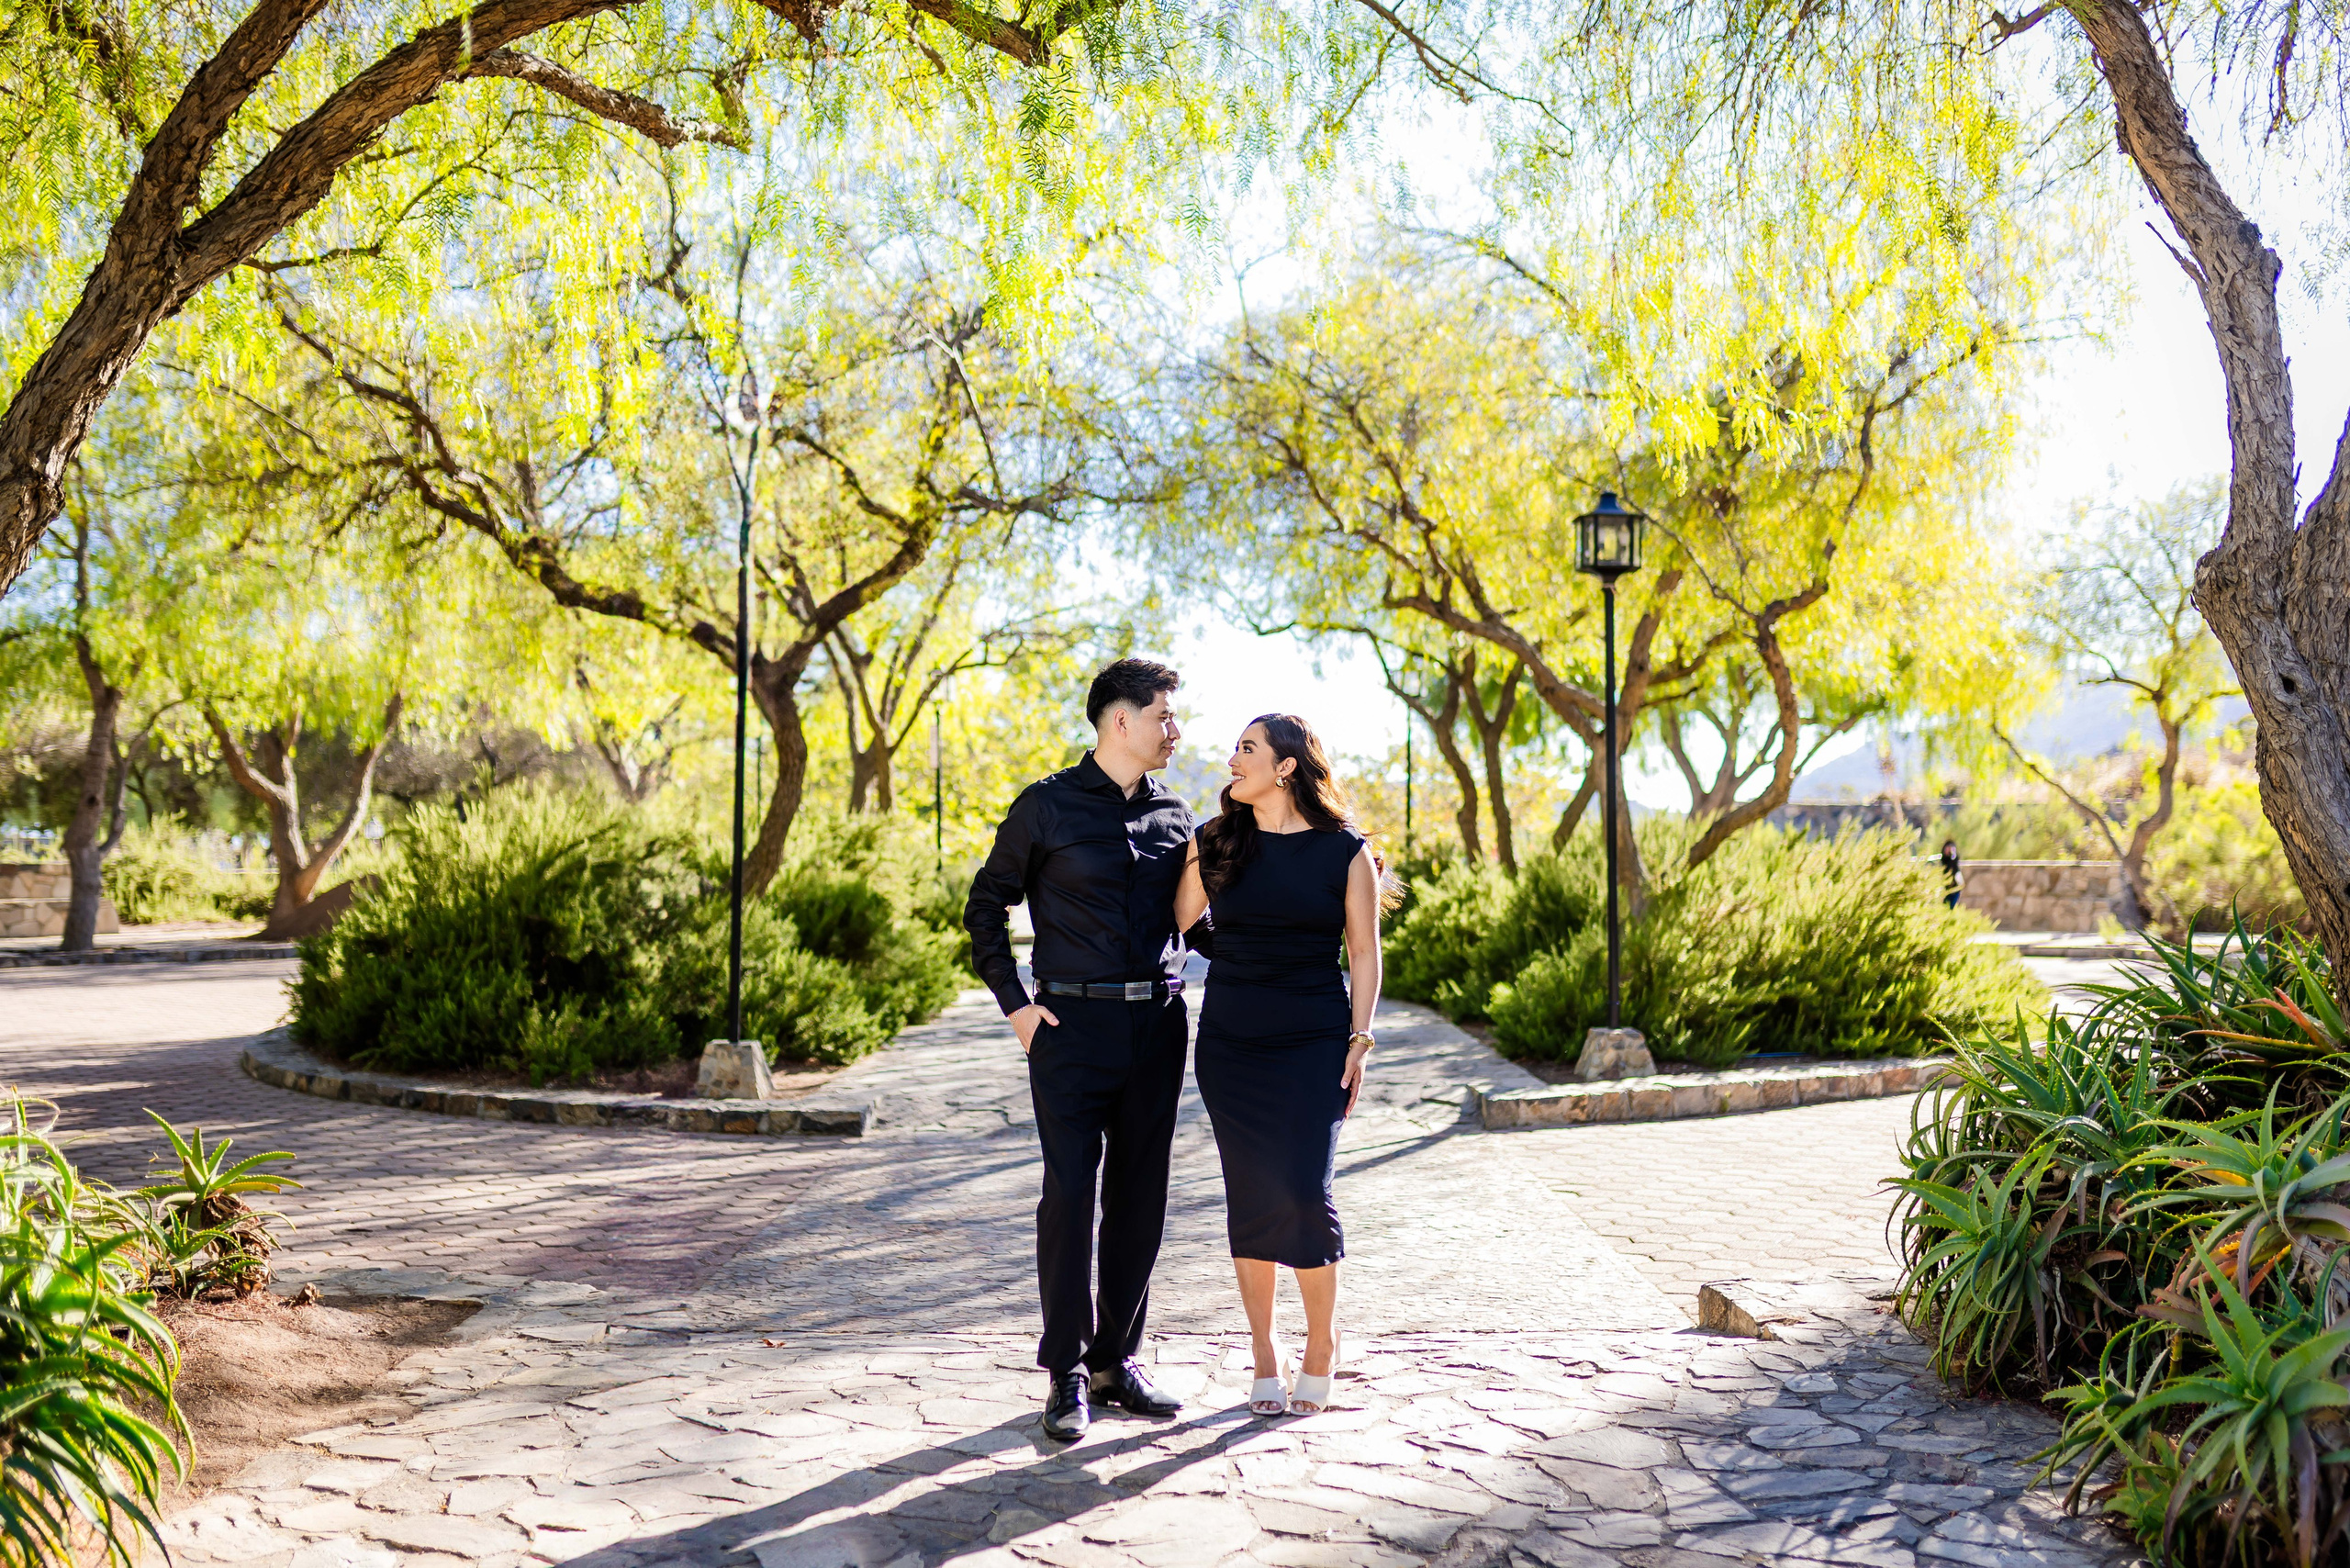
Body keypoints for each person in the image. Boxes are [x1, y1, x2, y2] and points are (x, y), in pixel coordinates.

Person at [965, 658, 1203, 1443]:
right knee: (1069, 1197)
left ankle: (1114, 1362)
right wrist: (1018, 1009)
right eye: (1166, 716)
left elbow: (1198, 925)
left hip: (1158, 1030)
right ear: (1120, 721)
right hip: (1068, 1031)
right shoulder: (1045, 806)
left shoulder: (1177, 818)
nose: (1176, 730)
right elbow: (985, 906)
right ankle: (1064, 1370)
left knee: (1140, 1201)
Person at [1174, 713, 1386, 1417]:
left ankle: (1321, 1345)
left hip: (1315, 1042)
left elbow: (1363, 953)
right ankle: (1265, 1352)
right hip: (1231, 1044)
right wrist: (1215, 925)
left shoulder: (1343, 852)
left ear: (1286, 767)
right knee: (1252, 1192)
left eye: (1246, 749)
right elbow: (1177, 921)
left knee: (1301, 1188)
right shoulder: (1218, 841)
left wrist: (1361, 1040)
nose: (1231, 760)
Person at [1939, 839, 1964, 911]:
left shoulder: (1954, 860)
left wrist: (1953, 854)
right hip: (1947, 888)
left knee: (1951, 907)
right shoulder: (1944, 860)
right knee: (1945, 906)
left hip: (1955, 887)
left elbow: (1955, 869)